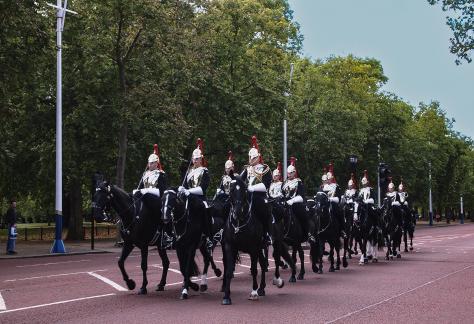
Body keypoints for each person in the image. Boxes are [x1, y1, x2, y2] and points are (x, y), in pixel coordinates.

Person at [178, 138, 213, 252]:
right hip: (189, 198)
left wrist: (189, 191)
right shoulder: (189, 172)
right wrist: (183, 189)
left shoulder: (204, 171)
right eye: (194, 158)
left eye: (197, 159)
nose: (195, 160)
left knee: (205, 210)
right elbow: (187, 187)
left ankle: (208, 236)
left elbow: (202, 189)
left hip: (200, 198)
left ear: (201, 159)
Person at [240, 135, 273, 246]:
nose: (251, 160)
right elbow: (240, 180)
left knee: (264, 211)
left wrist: (252, 188)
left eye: (253, 158)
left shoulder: (265, 168)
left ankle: (266, 234)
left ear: (258, 157)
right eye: (250, 158)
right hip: (247, 196)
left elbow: (266, 185)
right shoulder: (247, 169)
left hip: (259, 196)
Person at [282, 157, 315, 243]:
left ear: (294, 172)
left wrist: (292, 201)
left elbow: (301, 196)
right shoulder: (284, 183)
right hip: (285, 204)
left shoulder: (298, 182)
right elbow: (282, 193)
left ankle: (308, 234)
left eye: (291, 173)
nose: (289, 175)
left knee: (303, 215)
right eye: (288, 173)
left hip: (296, 204)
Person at [322, 163, 346, 238]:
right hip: (324, 204)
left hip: (333, 204)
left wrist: (330, 199)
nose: (328, 180)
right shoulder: (323, 186)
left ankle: (342, 230)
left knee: (340, 213)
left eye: (329, 178)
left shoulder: (336, 187)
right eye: (327, 179)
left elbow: (338, 199)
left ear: (332, 178)